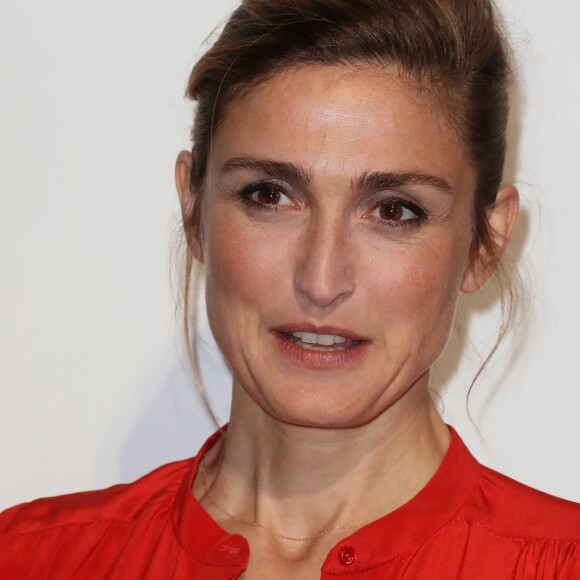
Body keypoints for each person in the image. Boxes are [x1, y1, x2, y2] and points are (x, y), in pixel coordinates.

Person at [1, 0, 579, 578]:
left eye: (394, 211)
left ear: (486, 241)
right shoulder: (30, 560)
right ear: (193, 206)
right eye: (269, 196)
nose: (322, 280)